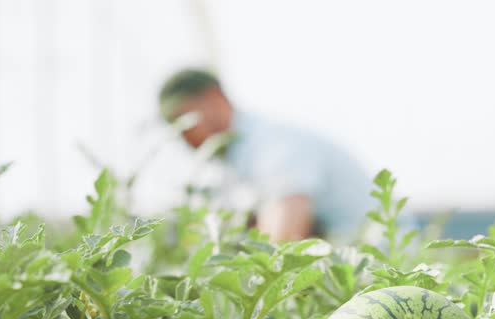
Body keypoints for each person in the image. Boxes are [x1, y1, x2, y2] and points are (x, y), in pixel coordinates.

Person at [158, 68, 374, 243]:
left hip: (386, 259)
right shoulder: (233, 164)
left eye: (185, 120)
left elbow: (284, 238)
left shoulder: (273, 145)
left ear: (216, 99)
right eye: (173, 126)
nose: (183, 135)